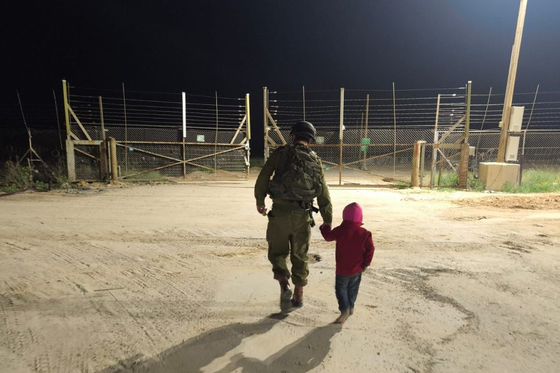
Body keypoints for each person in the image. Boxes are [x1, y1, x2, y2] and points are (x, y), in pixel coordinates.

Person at [255, 120, 333, 308]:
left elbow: (263, 176)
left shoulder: (280, 154)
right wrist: (327, 219)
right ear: (311, 139)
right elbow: (323, 191)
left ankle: (284, 283)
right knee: (300, 256)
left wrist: (260, 200)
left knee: (277, 253)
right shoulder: (315, 160)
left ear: (293, 136)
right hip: (303, 216)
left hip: (279, 214)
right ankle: (298, 296)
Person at [319, 202, 375, 324]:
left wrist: (325, 226)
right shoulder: (365, 233)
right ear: (360, 217)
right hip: (357, 269)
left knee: (341, 290)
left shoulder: (340, 230)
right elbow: (370, 249)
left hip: (342, 270)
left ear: (344, 216)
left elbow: (328, 237)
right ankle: (351, 307)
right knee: (353, 289)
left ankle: (344, 309)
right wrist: (366, 264)